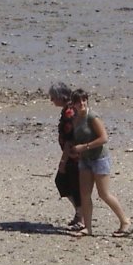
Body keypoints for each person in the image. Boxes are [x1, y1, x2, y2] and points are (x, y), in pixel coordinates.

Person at [68, 89, 133, 238]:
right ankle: (88, 228)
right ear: (73, 104)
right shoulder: (75, 118)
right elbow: (77, 138)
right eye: (78, 102)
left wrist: (84, 147)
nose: (81, 104)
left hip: (99, 159)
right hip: (84, 160)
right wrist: (73, 150)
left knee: (104, 193)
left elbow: (104, 138)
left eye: (84, 100)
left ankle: (125, 221)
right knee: (84, 194)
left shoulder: (92, 117)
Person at [48, 81, 81, 229]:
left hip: (74, 156)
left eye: (53, 97)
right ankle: (79, 213)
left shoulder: (69, 112)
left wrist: (63, 161)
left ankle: (81, 216)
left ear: (61, 97)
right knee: (68, 184)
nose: (51, 100)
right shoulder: (69, 109)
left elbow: (69, 140)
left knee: (67, 183)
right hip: (74, 155)